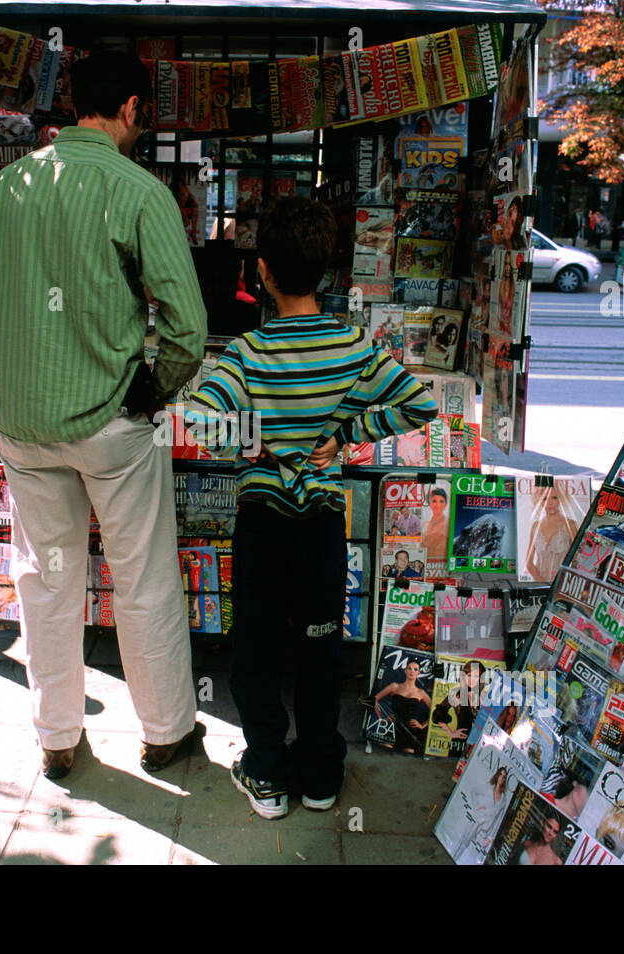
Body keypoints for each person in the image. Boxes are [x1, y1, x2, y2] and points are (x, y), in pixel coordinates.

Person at [0, 50, 208, 782]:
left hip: (25, 427)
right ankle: (165, 731)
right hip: (110, 426)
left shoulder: (9, 186)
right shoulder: (137, 191)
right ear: (131, 108)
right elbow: (188, 329)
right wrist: (151, 386)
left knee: (46, 578)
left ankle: (58, 738)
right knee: (142, 578)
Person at [186, 196, 438, 818]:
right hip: (324, 525)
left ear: (262, 271)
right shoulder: (354, 347)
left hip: (262, 524)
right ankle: (323, 775)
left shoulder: (246, 353)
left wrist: (263, 441)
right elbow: (419, 405)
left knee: (256, 650)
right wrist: (348, 434)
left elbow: (199, 419)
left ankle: (267, 771)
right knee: (323, 648)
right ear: (327, 273)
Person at [370, 658, 431, 753]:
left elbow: (436, 711)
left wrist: (422, 725)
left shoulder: (421, 693)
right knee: (385, 752)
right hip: (392, 728)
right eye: (409, 668)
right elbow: (374, 699)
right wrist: (382, 719)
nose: (412, 671)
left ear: (419, 673)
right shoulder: (395, 686)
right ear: (405, 671)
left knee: (408, 755)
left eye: (415, 669)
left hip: (410, 732)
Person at [524, 482, 581, 582]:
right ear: (540, 501)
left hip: (562, 584)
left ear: (560, 499)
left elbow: (578, 559)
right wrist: (542, 582)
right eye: (545, 498)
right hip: (539, 585)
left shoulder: (570, 525)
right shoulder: (535, 526)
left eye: (554, 498)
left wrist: (561, 584)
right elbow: (528, 563)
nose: (549, 503)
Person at [422, 486, 449, 565]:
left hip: (442, 566)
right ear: (429, 503)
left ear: (445, 504)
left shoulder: (447, 522)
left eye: (441, 501)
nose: (438, 505)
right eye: (434, 501)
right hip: (426, 566)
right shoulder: (425, 524)